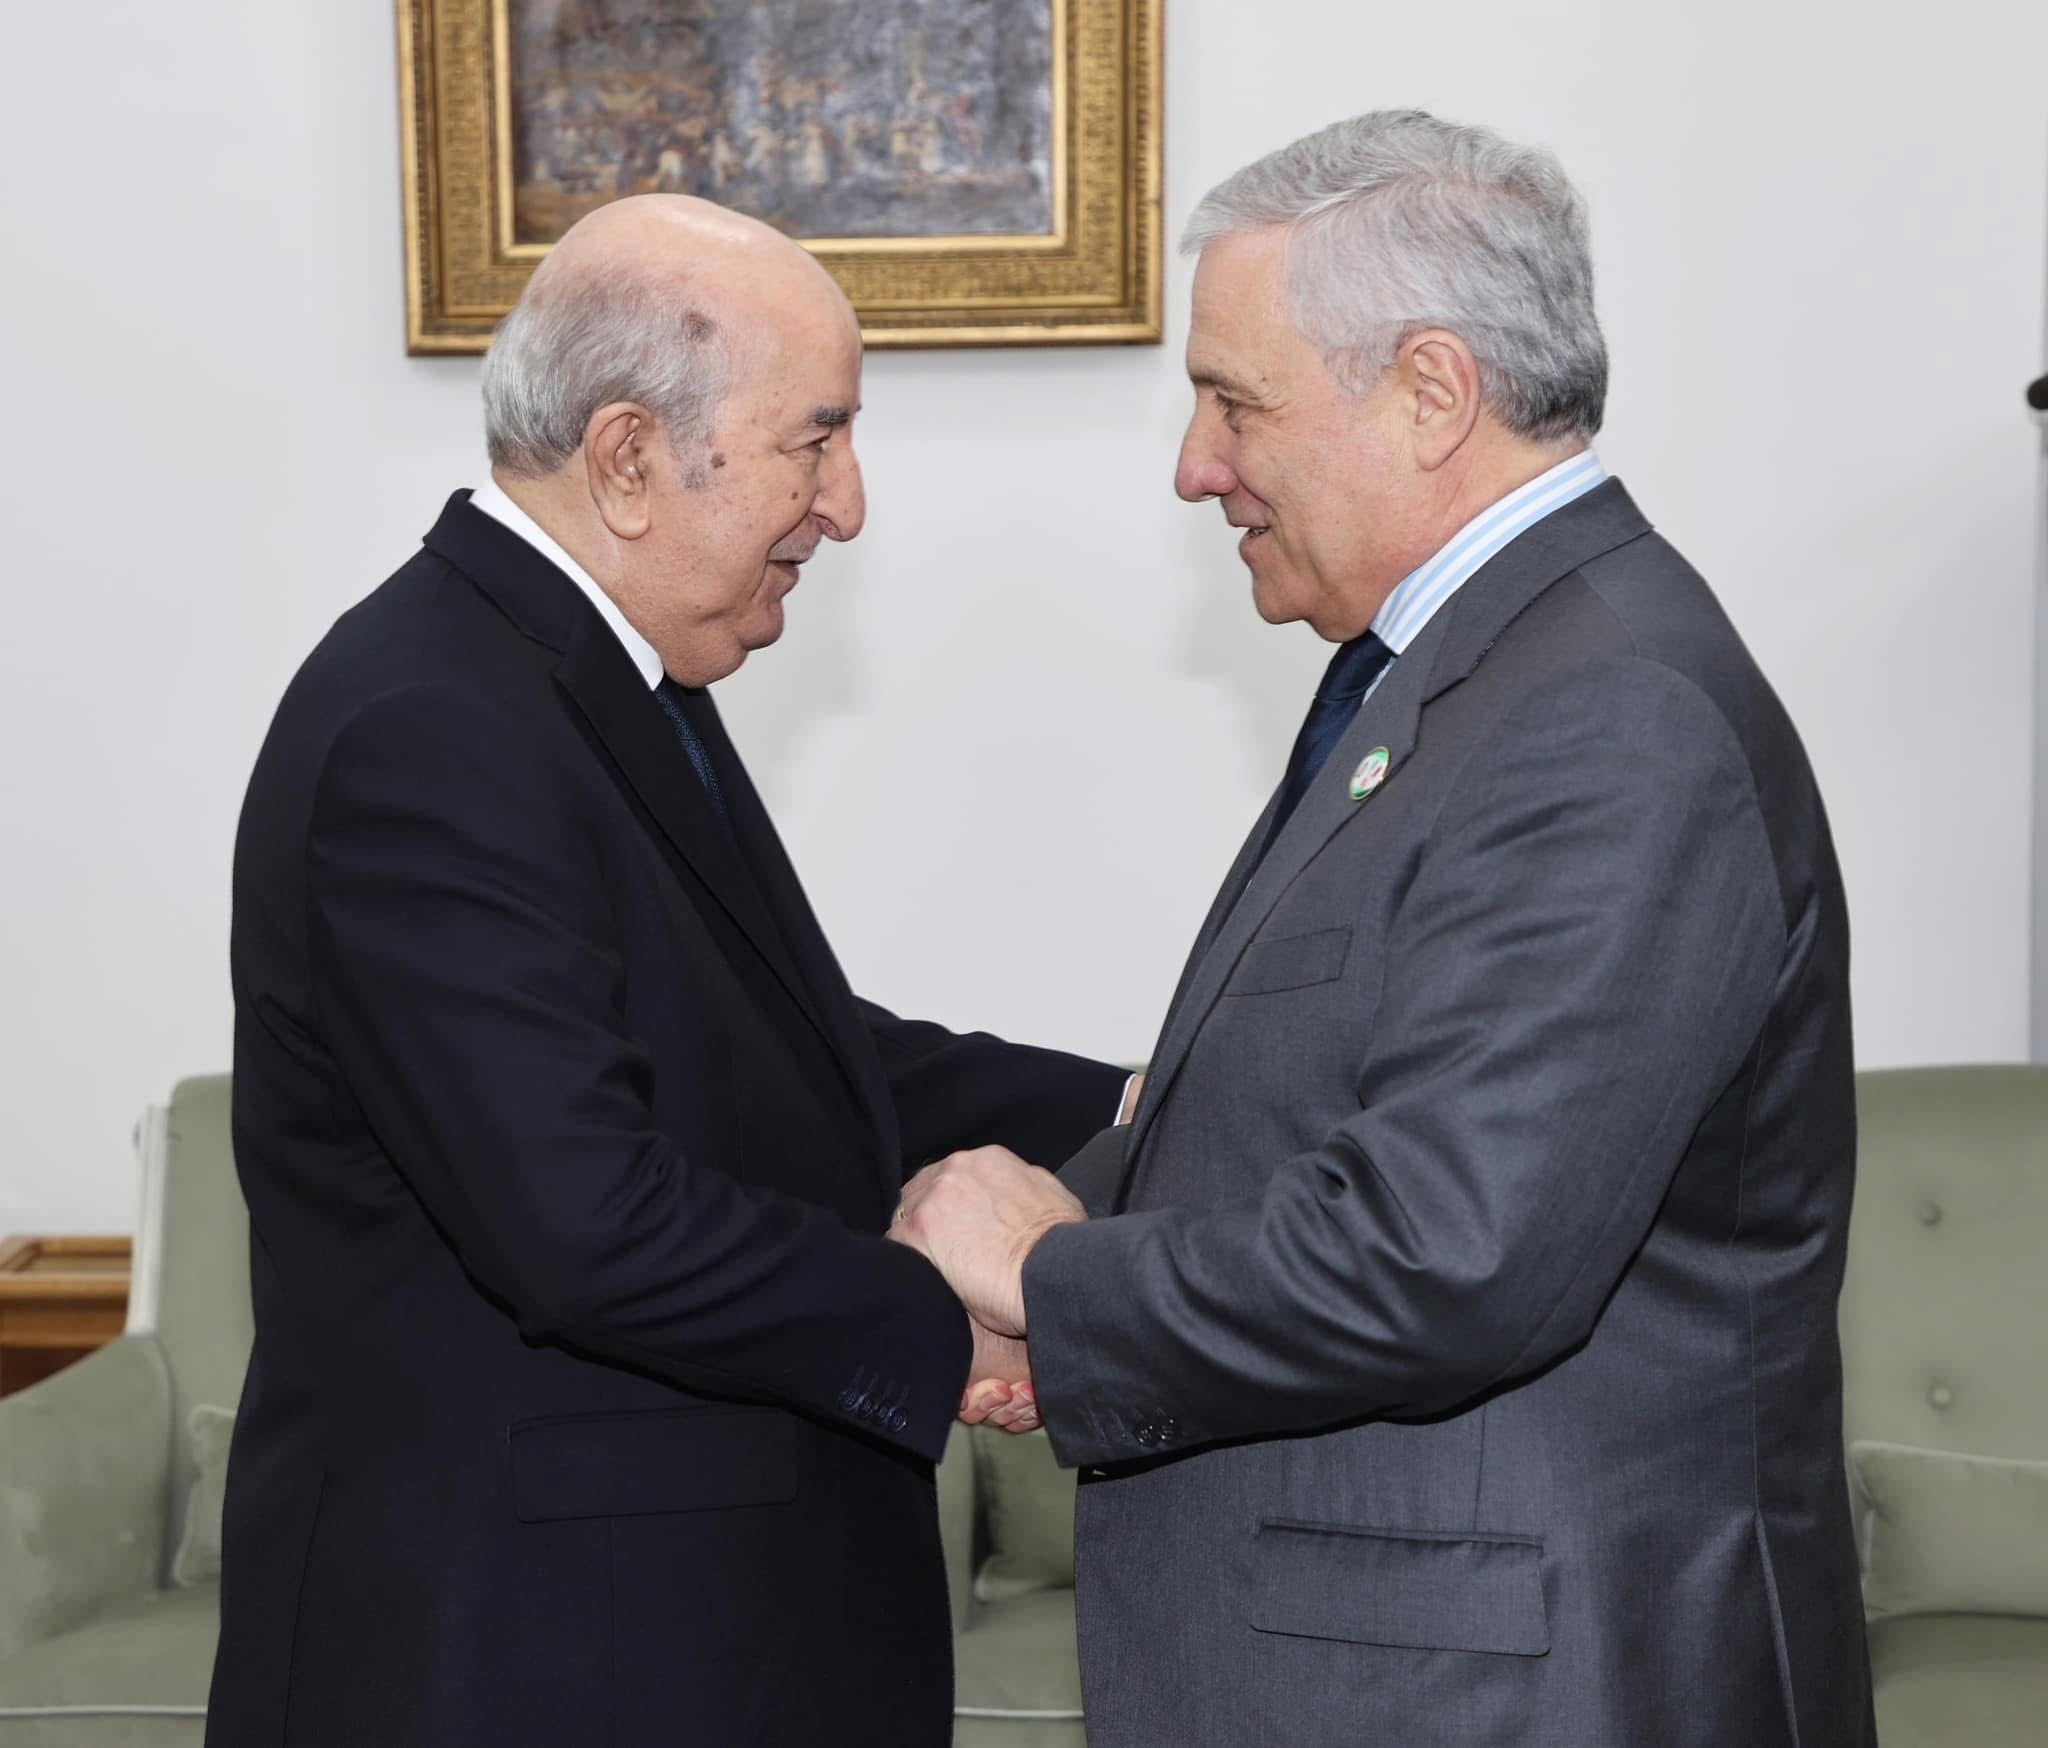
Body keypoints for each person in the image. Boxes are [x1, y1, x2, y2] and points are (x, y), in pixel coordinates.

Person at [892, 111, 1875, 1746]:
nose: (1197, 465)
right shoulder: (1465, 678)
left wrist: (1056, 1277)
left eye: (1235, 401)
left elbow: (1451, 1249)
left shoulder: (1608, 712)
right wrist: (1059, 1262)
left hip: (1509, 1697)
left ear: (1431, 393)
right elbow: (1296, 1118)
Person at [214, 194, 1125, 1748]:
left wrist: (1150, 1104)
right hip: (525, 1666)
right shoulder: (433, 727)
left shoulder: (585, 678)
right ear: (629, 459)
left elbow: (789, 1056)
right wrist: (945, 1320)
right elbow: (585, 1219)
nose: (847, 505)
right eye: (815, 439)